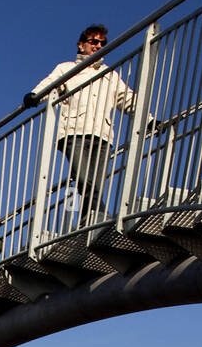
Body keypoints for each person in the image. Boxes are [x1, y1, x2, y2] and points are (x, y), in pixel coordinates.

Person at [25, 24, 139, 225]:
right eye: (93, 41)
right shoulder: (67, 68)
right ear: (81, 45)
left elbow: (128, 99)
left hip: (102, 136)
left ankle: (88, 223)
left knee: (95, 185)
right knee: (84, 180)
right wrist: (35, 95)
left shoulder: (109, 75)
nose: (98, 46)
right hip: (74, 133)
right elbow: (51, 82)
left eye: (102, 43)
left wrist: (148, 120)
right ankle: (101, 220)